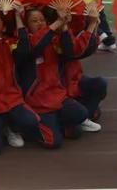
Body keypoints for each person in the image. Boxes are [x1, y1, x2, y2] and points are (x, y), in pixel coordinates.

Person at [0, 7, 43, 154]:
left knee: (32, 121)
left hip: (12, 100)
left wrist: (18, 16)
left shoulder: (10, 43)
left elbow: (24, 50)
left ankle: (11, 127)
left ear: (4, 27)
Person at [21, 8, 90, 148]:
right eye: (34, 21)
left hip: (57, 97)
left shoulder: (53, 40)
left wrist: (64, 25)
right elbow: (36, 46)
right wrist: (58, 21)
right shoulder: (24, 43)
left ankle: (56, 123)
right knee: (53, 142)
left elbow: (71, 51)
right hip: (38, 102)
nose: (39, 23)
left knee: (81, 115)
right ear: (27, 25)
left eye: (42, 20)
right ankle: (28, 128)